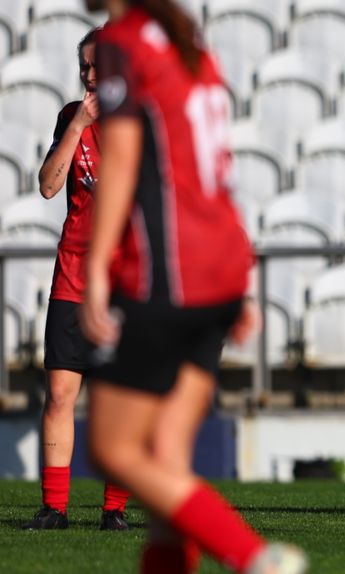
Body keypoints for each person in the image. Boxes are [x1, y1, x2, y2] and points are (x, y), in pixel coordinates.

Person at [80, 0, 305, 571]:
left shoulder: (123, 42)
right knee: (165, 461)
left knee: (113, 449)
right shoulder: (187, 42)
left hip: (166, 274)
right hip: (218, 266)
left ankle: (254, 556)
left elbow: (124, 162)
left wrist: (98, 270)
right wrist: (241, 282)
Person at [22, 26, 133, 532]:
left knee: (121, 398)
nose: (88, 75)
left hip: (126, 283)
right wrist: (77, 126)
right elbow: (48, 187)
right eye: (83, 67)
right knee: (61, 395)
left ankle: (114, 510)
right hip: (73, 276)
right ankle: (55, 508)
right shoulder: (72, 116)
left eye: (96, 67)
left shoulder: (145, 122)